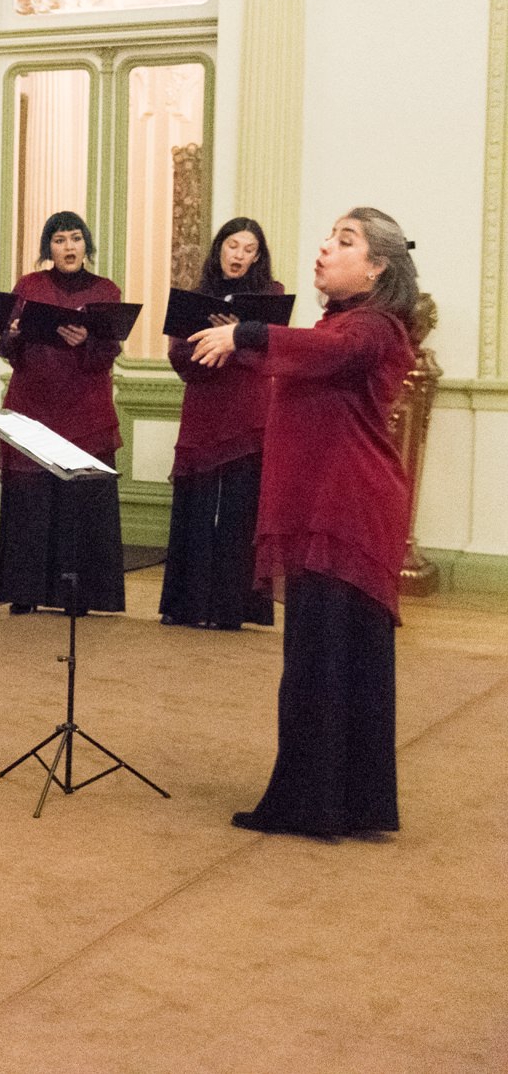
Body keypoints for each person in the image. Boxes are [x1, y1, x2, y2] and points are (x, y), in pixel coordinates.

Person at [191, 208, 418, 839]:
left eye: (345, 242)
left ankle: (312, 804)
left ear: (376, 267)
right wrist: (235, 341)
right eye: (327, 236)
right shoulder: (341, 322)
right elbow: (298, 361)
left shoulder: (373, 327)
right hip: (335, 507)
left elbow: (326, 353)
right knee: (338, 659)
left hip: (343, 509)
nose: (324, 248)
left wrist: (251, 333)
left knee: (322, 659)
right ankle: (349, 801)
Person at [0, 211, 126, 616]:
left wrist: (87, 340)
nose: (68, 247)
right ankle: (25, 590)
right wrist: (12, 335)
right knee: (29, 501)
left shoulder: (107, 290)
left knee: (80, 502)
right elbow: (4, 348)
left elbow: (108, 352)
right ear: (47, 248)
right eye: (58, 240)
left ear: (87, 245)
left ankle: (78, 596)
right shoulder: (28, 286)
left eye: (75, 239)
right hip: (33, 403)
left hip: (85, 408)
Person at [161, 218, 281, 631]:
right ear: (219, 249)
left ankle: (233, 607)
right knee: (194, 506)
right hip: (205, 406)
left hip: (249, 410)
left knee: (238, 511)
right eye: (233, 246)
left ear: (258, 256)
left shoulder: (271, 296)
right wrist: (207, 345)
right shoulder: (195, 298)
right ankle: (186, 604)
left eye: (249, 249)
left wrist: (236, 338)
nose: (239, 255)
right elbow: (179, 359)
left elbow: (272, 355)